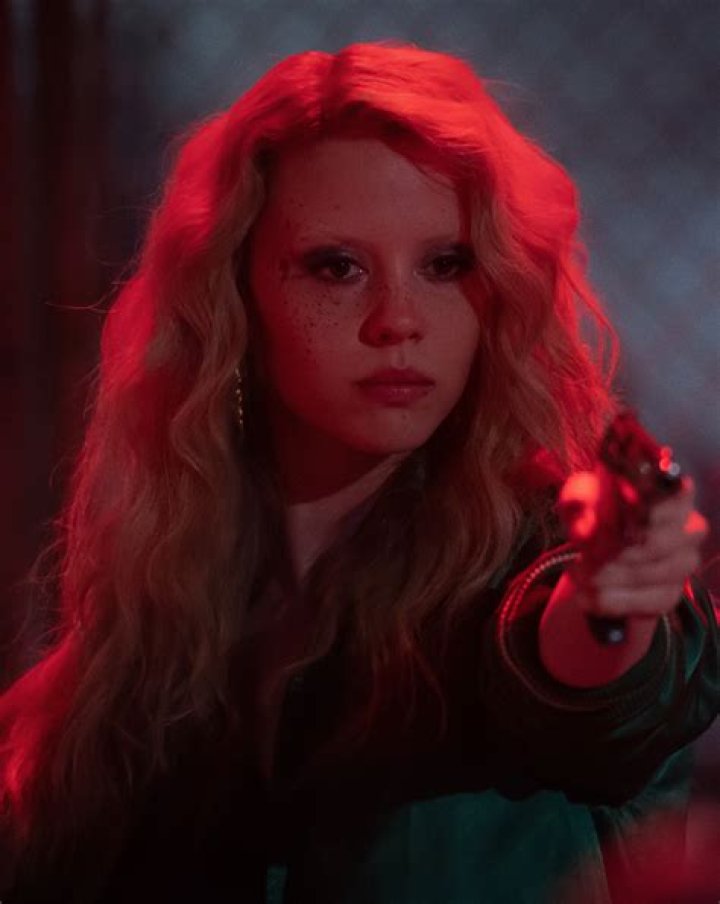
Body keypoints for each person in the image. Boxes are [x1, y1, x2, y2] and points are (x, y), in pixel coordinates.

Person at [0, 40, 718, 904]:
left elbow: (596, 685)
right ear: (235, 297)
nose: (398, 320)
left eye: (445, 265)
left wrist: (609, 604)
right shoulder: (153, 625)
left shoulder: (531, 552)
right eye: (337, 267)